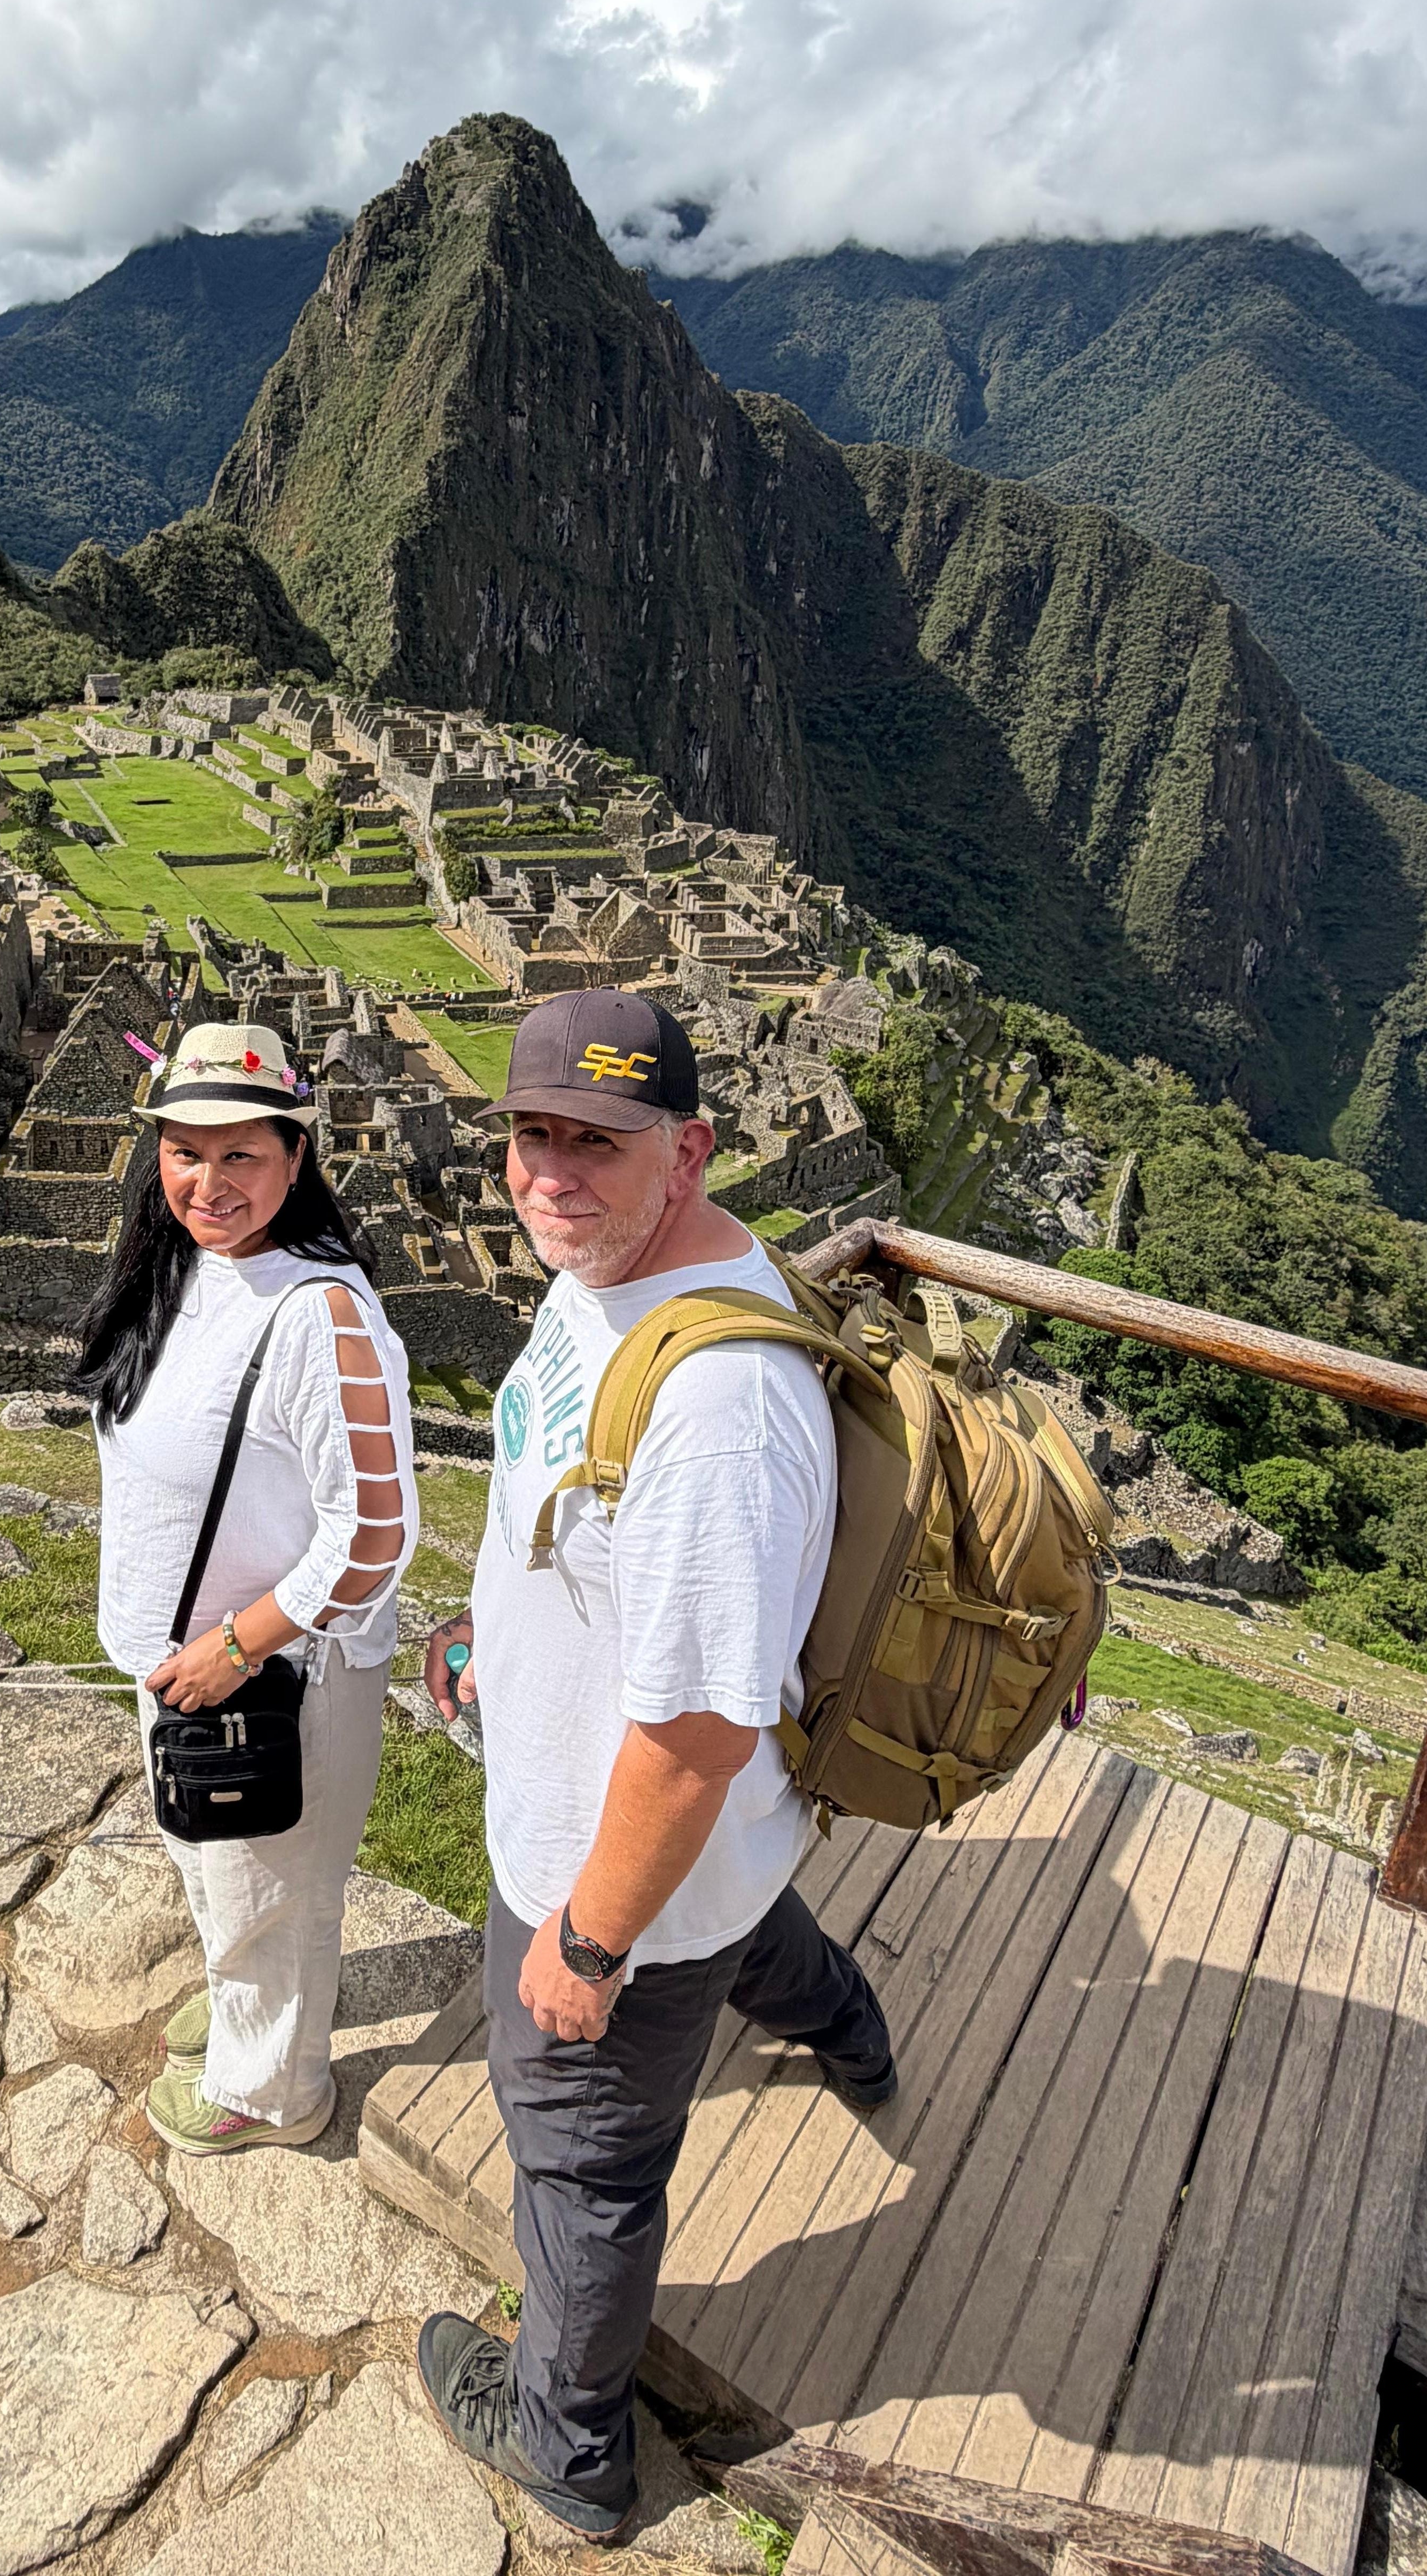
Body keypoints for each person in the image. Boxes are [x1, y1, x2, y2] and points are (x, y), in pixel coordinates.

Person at [415, 987, 894, 2544]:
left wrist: (585, 1943)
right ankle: (854, 2030)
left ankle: (565, 2443)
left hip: (612, 1871)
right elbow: (582, 1522)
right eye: (531, 1135)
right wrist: (502, 1649)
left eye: (597, 1145)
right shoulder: (625, 1274)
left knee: (581, 2165)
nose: (552, 1172)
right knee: (749, 1923)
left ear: (682, 1150)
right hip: (716, 1860)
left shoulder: (719, 1414)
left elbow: (692, 1743)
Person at [72, 1018, 418, 2154]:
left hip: (271, 1677)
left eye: (240, 1156)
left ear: (294, 1158)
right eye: (184, 1152)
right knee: (212, 1861)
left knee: (270, 1890)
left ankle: (272, 2088)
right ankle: (240, 2000)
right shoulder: (180, 1271)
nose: (207, 1182)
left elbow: (375, 1530)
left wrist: (239, 1646)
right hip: (176, 1662)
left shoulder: (320, 1316)